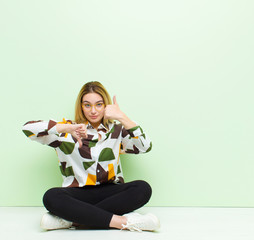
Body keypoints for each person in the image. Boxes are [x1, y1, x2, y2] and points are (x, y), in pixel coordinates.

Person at [22, 81, 160, 232]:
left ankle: (71, 220)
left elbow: (145, 146)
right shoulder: (67, 129)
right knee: (51, 196)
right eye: (87, 105)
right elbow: (28, 129)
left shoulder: (117, 130)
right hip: (78, 195)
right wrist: (67, 128)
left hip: (110, 192)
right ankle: (124, 222)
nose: (93, 111)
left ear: (106, 106)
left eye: (99, 104)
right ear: (81, 106)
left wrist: (122, 116)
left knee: (142, 188)